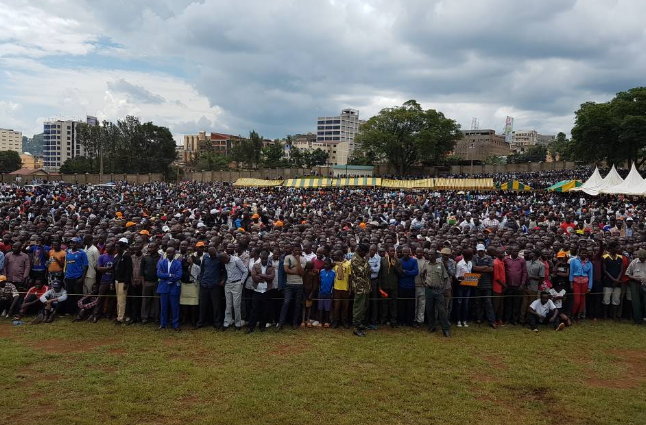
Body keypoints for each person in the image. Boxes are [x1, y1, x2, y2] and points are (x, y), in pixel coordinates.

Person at [420, 251, 450, 337]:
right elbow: (422, 274)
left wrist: (443, 289)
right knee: (429, 309)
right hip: (429, 290)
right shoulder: (426, 264)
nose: (430, 256)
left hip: (438, 290)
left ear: (435, 255)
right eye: (428, 254)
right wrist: (424, 283)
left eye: (431, 254)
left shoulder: (440, 264)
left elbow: (445, 278)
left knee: (441, 310)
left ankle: (445, 329)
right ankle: (432, 326)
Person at [278, 245, 306, 330]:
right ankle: (281, 323)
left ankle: (294, 323)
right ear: (292, 250)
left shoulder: (303, 259)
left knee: (297, 304)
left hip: (299, 284)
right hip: (289, 284)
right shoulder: (287, 257)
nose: (297, 251)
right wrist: (297, 271)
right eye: (295, 250)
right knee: (286, 302)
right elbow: (286, 270)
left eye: (298, 250)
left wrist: (297, 261)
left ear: (300, 250)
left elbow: (301, 273)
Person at [247, 250, 275, 334]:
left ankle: (262, 326)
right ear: (260, 257)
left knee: (265, 309)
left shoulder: (271, 267)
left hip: (266, 291)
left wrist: (262, 275)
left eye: (265, 259)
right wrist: (265, 277)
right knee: (254, 309)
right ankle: (251, 326)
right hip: (257, 290)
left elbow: (271, 277)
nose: (264, 260)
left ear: (268, 258)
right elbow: (254, 277)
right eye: (263, 258)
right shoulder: (255, 266)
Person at [197, 246, 225, 330]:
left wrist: (223, 280)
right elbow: (202, 269)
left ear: (215, 252)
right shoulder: (205, 257)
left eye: (214, 254)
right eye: (211, 254)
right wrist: (201, 279)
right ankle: (201, 322)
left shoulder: (219, 258)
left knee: (216, 305)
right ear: (208, 253)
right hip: (204, 284)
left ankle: (217, 323)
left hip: (215, 285)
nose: (213, 255)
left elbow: (224, 270)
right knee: (203, 304)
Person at [220, 249, 248, 331]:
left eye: (224, 261)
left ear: (226, 257)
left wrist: (241, 282)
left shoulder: (236, 260)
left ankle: (237, 324)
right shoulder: (225, 262)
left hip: (237, 284)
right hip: (228, 284)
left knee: (236, 305)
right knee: (228, 305)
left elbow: (245, 271)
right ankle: (226, 323)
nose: (224, 263)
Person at [157, 247, 182, 331]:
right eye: (167, 253)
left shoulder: (178, 263)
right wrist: (170, 275)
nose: (168, 254)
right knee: (163, 307)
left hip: (174, 287)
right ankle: (163, 324)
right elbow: (159, 274)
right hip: (164, 288)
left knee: (175, 308)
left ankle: (175, 324)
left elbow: (179, 275)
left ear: (174, 254)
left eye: (170, 253)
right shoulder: (161, 262)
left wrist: (169, 280)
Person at [473, 244, 497, 329]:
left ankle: (491, 320)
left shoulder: (489, 258)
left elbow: (491, 269)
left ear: (484, 251)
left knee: (488, 303)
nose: (480, 252)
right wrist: (485, 267)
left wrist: (479, 268)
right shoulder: (474, 258)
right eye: (479, 251)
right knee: (478, 302)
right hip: (477, 283)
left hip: (487, 284)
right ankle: (479, 318)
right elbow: (473, 268)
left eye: (481, 251)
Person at [350, 244, 372, 337]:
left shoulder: (361, 258)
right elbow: (363, 271)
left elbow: (368, 270)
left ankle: (360, 324)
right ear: (361, 251)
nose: (366, 254)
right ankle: (356, 328)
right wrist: (367, 261)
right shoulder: (355, 259)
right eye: (365, 253)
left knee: (364, 306)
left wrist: (367, 264)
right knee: (358, 308)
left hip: (365, 286)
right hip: (359, 287)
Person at [504, 246, 528, 325]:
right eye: (514, 251)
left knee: (516, 303)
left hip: (518, 285)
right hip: (508, 285)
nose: (516, 252)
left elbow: (524, 272)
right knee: (508, 302)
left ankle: (515, 319)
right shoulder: (506, 259)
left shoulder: (522, 260)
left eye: (517, 251)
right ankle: (507, 318)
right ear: (510, 251)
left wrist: (522, 284)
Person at [64, 237, 88, 314]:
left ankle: (79, 310)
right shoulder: (68, 252)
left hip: (77, 277)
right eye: (71, 243)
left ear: (78, 244)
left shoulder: (82, 253)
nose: (72, 244)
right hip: (68, 277)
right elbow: (67, 264)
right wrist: (65, 274)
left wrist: (82, 278)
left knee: (78, 294)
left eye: (74, 243)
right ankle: (70, 311)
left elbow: (85, 266)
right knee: (69, 294)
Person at [92, 243, 116, 323]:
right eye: (106, 247)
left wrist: (105, 269)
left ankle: (109, 314)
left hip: (113, 281)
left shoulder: (115, 257)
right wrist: (110, 268)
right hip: (104, 280)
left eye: (109, 247)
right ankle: (96, 315)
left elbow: (116, 270)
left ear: (113, 248)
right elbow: (99, 268)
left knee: (112, 299)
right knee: (100, 298)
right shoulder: (102, 256)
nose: (107, 248)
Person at [569, 247, 593, 321]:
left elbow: (591, 275)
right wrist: (571, 283)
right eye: (582, 253)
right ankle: (573, 315)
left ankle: (578, 316)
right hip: (576, 282)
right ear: (579, 254)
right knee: (577, 301)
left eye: (585, 253)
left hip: (585, 282)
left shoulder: (589, 263)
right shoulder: (573, 261)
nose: (584, 254)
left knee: (582, 301)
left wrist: (589, 287)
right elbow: (571, 273)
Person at [603, 241, 624, 320]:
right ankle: (605, 315)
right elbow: (605, 270)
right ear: (611, 248)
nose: (618, 249)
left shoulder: (620, 257)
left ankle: (614, 315)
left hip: (617, 282)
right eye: (616, 248)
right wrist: (614, 279)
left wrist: (617, 280)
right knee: (606, 299)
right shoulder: (605, 257)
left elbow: (621, 270)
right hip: (608, 281)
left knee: (616, 299)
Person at [398, 246, 419, 327]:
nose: (405, 254)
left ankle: (409, 322)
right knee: (401, 305)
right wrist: (408, 273)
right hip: (402, 286)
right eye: (403, 252)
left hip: (411, 286)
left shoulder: (414, 261)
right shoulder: (399, 261)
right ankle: (401, 321)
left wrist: (406, 272)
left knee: (411, 305)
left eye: (406, 252)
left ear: (409, 252)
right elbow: (399, 273)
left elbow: (416, 272)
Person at [113, 239, 133, 324]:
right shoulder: (117, 256)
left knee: (121, 300)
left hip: (123, 282)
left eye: (118, 247)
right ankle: (119, 315)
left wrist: (126, 282)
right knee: (118, 300)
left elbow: (129, 270)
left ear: (122, 247)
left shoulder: (126, 256)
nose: (116, 248)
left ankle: (120, 318)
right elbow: (114, 269)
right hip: (117, 280)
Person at [379, 246, 400, 327]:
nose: (392, 252)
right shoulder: (382, 260)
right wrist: (380, 286)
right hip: (384, 286)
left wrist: (394, 266)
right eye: (391, 251)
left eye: (393, 251)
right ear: (387, 252)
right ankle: (383, 319)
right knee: (384, 303)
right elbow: (380, 274)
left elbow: (400, 273)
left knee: (393, 303)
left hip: (393, 286)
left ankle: (393, 320)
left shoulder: (397, 261)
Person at [140, 243, 161, 325]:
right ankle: (144, 317)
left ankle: (156, 317)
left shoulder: (160, 258)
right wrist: (143, 283)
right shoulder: (145, 257)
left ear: (156, 248)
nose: (150, 249)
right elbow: (141, 271)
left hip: (157, 282)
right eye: (149, 247)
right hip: (147, 282)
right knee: (146, 301)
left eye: (152, 247)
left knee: (156, 301)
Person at [624, 249, 646, 325]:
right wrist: (635, 278)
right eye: (641, 258)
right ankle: (638, 320)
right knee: (636, 302)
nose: (642, 259)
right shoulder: (634, 262)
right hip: (635, 283)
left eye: (644, 258)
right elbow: (627, 274)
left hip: (645, 283)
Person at [331, 250, 352, 329]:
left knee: (345, 307)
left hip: (345, 288)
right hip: (336, 288)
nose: (334, 257)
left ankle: (344, 321)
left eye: (335, 255)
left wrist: (350, 288)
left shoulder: (348, 264)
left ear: (340, 256)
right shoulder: (334, 265)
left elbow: (350, 277)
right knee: (336, 306)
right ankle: (336, 321)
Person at [524, 250, 545, 324]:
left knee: (531, 305)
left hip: (533, 287)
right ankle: (521, 319)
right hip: (525, 287)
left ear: (535, 254)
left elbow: (541, 278)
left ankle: (529, 320)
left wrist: (531, 277)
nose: (529, 253)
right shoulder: (526, 262)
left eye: (531, 252)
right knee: (524, 304)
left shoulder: (541, 265)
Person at [455, 248, 474, 328]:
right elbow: (456, 276)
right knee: (459, 303)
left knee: (466, 303)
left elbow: (470, 273)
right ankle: (458, 320)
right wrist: (462, 278)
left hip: (468, 285)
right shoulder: (459, 264)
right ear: (468, 256)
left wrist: (473, 278)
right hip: (461, 286)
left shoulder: (470, 263)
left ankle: (464, 320)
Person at [318, 258, 335, 327]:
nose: (325, 265)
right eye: (324, 264)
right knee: (320, 307)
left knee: (327, 308)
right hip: (321, 292)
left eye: (327, 264)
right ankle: (320, 321)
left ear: (330, 264)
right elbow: (319, 281)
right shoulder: (321, 271)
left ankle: (327, 321)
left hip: (329, 293)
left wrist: (332, 292)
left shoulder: (333, 272)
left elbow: (334, 283)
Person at [302, 261, 319, 327]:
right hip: (304, 292)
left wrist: (311, 293)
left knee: (309, 306)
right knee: (303, 306)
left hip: (310, 292)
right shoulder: (305, 273)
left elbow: (315, 285)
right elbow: (303, 283)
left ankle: (308, 319)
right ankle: (303, 320)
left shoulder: (314, 274)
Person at [492, 248, 506, 325]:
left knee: (501, 304)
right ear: (497, 254)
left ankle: (499, 318)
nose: (503, 254)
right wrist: (504, 285)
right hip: (497, 286)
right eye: (501, 253)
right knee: (496, 305)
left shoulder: (502, 262)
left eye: (503, 253)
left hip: (502, 286)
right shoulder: (496, 263)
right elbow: (497, 277)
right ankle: (493, 319)